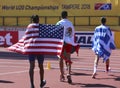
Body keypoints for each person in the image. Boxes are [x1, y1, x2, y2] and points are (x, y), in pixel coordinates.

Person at [56, 11, 79, 83]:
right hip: (68, 42)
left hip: (61, 43)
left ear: (61, 16)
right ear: (67, 16)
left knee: (60, 59)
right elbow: (72, 33)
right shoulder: (70, 23)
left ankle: (62, 74)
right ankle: (69, 73)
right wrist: (71, 41)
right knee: (68, 58)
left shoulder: (59, 23)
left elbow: (56, 33)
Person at [27, 15, 46, 88]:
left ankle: (32, 84)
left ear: (32, 20)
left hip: (31, 48)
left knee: (32, 66)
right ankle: (41, 82)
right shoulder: (42, 26)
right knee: (41, 66)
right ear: (38, 20)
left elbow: (26, 36)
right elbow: (45, 36)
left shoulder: (29, 26)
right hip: (40, 48)